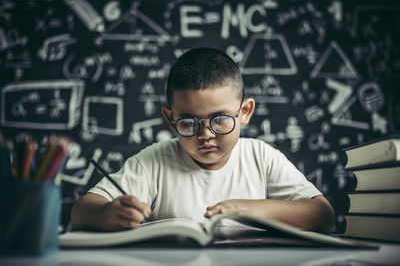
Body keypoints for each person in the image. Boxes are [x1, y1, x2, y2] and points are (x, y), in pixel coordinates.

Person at [71, 47, 335, 233]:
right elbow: (81, 210)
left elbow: (323, 215)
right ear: (169, 118)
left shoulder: (261, 157)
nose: (205, 134)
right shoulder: (153, 161)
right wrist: (106, 214)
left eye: (220, 119)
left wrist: (250, 209)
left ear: (244, 112)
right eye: (188, 123)